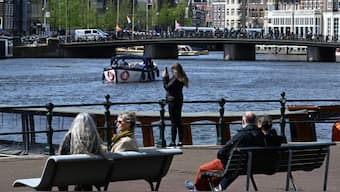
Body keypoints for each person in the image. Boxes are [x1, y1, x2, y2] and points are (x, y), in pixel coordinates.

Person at [185, 112, 282, 191]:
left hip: (237, 165)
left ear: (243, 121)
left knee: (202, 169)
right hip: (253, 165)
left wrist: (224, 156)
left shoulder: (242, 135)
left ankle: (197, 189)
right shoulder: (266, 137)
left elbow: (222, 153)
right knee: (234, 166)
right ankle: (210, 188)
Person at [58, 112, 106, 191]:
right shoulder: (96, 140)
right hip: (91, 176)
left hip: (70, 176)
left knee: (62, 172)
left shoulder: (69, 138)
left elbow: (61, 159)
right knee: (86, 172)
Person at [162, 62, 189, 147]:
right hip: (179, 100)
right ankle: (180, 140)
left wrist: (164, 77)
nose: (172, 72)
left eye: (172, 70)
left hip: (172, 101)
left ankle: (173, 141)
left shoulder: (176, 78)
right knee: (178, 121)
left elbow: (167, 87)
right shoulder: (181, 78)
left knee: (173, 121)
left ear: (175, 70)